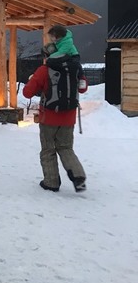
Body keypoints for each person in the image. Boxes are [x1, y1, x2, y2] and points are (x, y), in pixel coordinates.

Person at [23, 43, 88, 193]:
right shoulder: (74, 68)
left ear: (46, 56)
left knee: (48, 150)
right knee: (66, 148)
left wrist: (33, 79)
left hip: (49, 118)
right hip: (69, 117)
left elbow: (27, 93)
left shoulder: (44, 70)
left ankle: (51, 182)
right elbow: (83, 88)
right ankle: (78, 176)